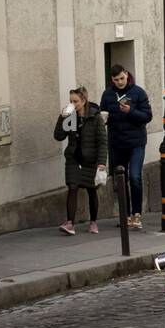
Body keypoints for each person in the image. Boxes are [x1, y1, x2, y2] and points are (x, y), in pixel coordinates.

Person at [100, 66, 152, 230]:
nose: (119, 82)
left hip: (136, 142)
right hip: (117, 142)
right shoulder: (108, 94)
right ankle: (126, 215)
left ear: (127, 76)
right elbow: (103, 112)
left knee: (135, 176)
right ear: (112, 80)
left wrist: (131, 111)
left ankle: (137, 215)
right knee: (120, 180)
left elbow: (147, 116)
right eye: (116, 80)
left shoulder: (138, 92)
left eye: (122, 78)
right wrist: (103, 119)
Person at [54, 86, 107, 235]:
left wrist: (101, 163)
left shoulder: (95, 117)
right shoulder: (71, 117)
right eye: (71, 101)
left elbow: (102, 142)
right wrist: (62, 117)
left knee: (91, 190)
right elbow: (59, 136)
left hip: (90, 160)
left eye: (75, 101)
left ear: (83, 101)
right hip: (73, 158)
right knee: (72, 187)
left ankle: (93, 222)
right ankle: (70, 223)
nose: (73, 104)